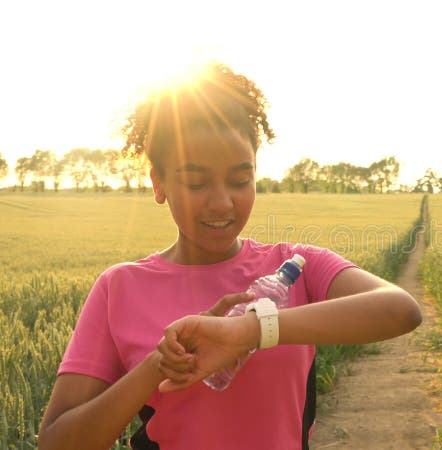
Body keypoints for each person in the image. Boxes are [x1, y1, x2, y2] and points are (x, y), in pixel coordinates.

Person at [38, 62, 422, 450]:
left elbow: (400, 309)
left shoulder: (296, 266)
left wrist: (247, 331)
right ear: (159, 183)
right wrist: (159, 364)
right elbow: (56, 442)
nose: (222, 203)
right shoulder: (119, 288)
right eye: (196, 182)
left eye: (240, 180)